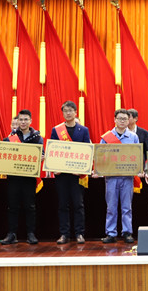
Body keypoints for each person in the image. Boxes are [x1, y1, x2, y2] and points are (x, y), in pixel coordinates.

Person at [50, 100, 91, 245]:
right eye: (65, 111)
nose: (68, 113)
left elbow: (87, 151)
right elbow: (53, 150)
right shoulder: (56, 130)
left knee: (78, 205)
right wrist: (54, 168)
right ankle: (64, 234)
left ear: (75, 112)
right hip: (61, 174)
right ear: (62, 113)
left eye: (70, 110)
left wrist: (82, 170)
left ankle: (79, 233)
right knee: (63, 205)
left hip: (77, 175)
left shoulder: (83, 130)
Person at [1, 109, 43, 245]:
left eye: (26, 119)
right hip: (14, 178)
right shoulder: (10, 138)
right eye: (21, 119)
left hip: (29, 178)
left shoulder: (37, 138)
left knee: (30, 206)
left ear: (30, 121)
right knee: (12, 206)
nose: (23, 122)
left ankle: (31, 234)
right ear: (17, 121)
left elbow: (41, 154)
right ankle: (11, 234)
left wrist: (42, 157)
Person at [98, 109, 140, 243]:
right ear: (114, 120)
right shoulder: (106, 137)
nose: (122, 121)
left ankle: (127, 232)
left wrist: (138, 169)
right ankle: (111, 233)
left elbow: (137, 156)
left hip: (127, 177)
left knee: (127, 207)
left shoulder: (133, 137)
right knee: (111, 207)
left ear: (129, 121)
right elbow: (101, 157)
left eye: (125, 119)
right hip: (111, 177)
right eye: (120, 118)